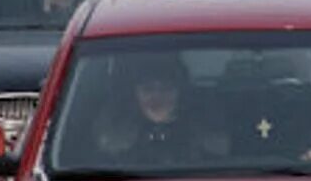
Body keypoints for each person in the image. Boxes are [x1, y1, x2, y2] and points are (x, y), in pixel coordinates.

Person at [94, 56, 226, 167]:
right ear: (134, 94)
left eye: (166, 89)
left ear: (180, 93)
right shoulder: (115, 127)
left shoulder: (203, 123)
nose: (157, 98)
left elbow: (222, 152)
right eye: (148, 89)